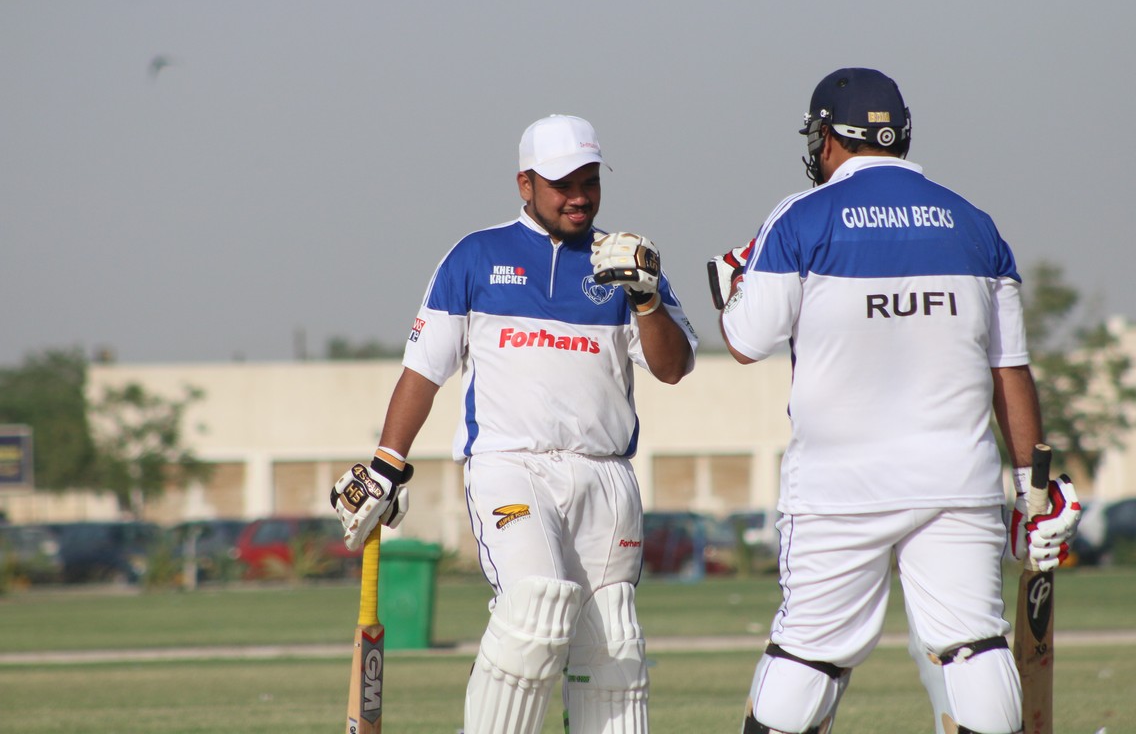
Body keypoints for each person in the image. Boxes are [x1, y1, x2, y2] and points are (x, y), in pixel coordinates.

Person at [709, 68, 1081, 734]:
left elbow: (743, 340)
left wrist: (734, 282)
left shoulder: (800, 216)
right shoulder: (974, 223)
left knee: (810, 652)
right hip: (957, 479)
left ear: (827, 138)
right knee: (974, 644)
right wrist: (1036, 485)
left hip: (838, 484)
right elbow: (1010, 370)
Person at [331, 113, 697, 734]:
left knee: (613, 649)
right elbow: (423, 370)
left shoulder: (625, 263)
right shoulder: (476, 257)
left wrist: (647, 296)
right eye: (562, 184)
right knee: (534, 612)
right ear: (525, 184)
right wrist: (386, 465)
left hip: (606, 475)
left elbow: (674, 366)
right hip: (511, 466)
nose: (579, 196)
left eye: (589, 181)